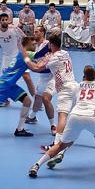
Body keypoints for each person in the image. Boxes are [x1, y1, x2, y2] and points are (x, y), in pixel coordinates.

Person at [28, 65, 95, 178]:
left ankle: (36, 165)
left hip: (75, 116)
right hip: (91, 116)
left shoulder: (77, 86)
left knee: (61, 145)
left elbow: (75, 99)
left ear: (83, 76)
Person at [25, 34, 79, 165]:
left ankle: (55, 147)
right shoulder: (65, 52)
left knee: (62, 117)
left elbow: (37, 68)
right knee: (81, 115)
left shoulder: (53, 59)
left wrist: (26, 58)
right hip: (75, 86)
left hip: (65, 90)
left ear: (50, 45)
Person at [25, 26, 57, 135]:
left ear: (43, 33)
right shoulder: (35, 45)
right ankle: (32, 117)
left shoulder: (48, 45)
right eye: (34, 31)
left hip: (52, 77)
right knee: (37, 98)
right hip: (42, 77)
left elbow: (47, 63)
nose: (35, 33)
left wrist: (33, 67)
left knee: (46, 99)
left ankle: (53, 126)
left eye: (37, 32)